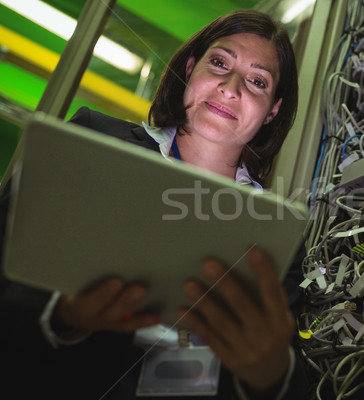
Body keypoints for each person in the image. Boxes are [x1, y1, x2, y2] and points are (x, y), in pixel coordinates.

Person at [0, 9, 308, 399]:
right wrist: (61, 318)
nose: (231, 88)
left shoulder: (278, 232)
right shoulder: (93, 140)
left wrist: (269, 375)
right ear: (190, 68)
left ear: (272, 112)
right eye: (219, 63)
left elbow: (287, 373)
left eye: (257, 81)